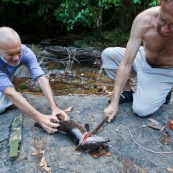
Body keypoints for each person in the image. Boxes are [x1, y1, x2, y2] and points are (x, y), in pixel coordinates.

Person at [101, 0, 173, 122]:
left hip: (165, 71)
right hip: (142, 57)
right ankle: (128, 92)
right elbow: (126, 63)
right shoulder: (144, 19)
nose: (165, 29)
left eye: (172, 25)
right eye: (162, 20)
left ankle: (164, 92)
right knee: (108, 54)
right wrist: (114, 102)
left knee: (141, 110)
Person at [0, 26, 69, 133]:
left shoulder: (26, 52)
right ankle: (13, 98)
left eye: (18, 52)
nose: (16, 58)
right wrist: (39, 118)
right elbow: (9, 92)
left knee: (26, 68)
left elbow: (41, 77)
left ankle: (16, 93)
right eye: (10, 54)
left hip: (8, 79)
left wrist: (54, 107)